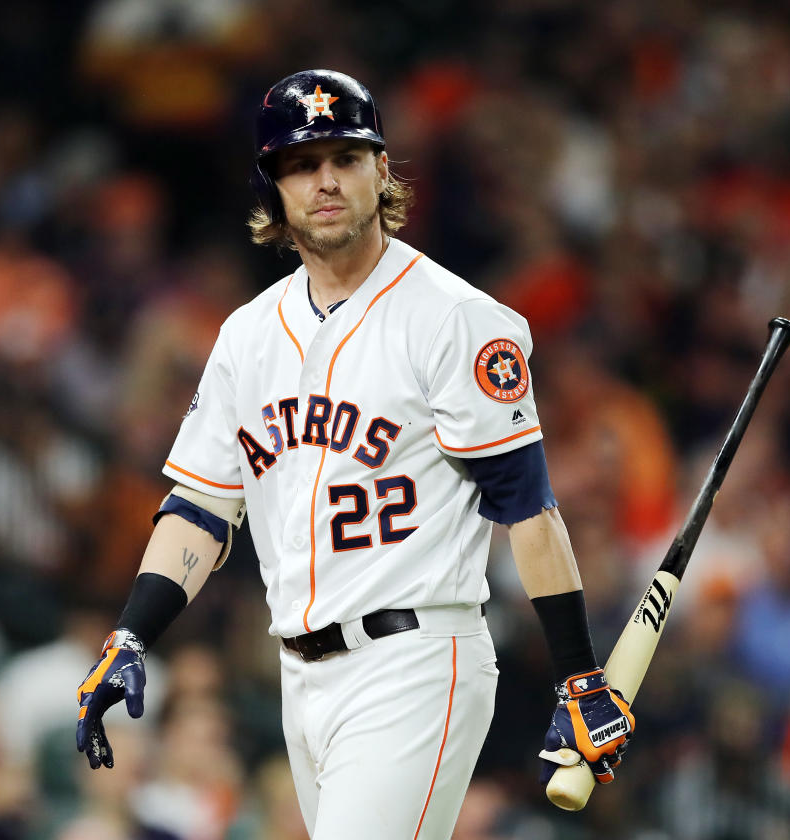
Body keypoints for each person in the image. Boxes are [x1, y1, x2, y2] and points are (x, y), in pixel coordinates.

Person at [75, 69, 634, 838]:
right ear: (274, 187)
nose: (326, 180)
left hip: (415, 660)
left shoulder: (457, 320)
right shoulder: (248, 334)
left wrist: (578, 674)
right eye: (302, 164)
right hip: (298, 675)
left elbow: (527, 508)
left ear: (381, 168)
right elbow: (202, 506)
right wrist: (132, 632)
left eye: (344, 156)